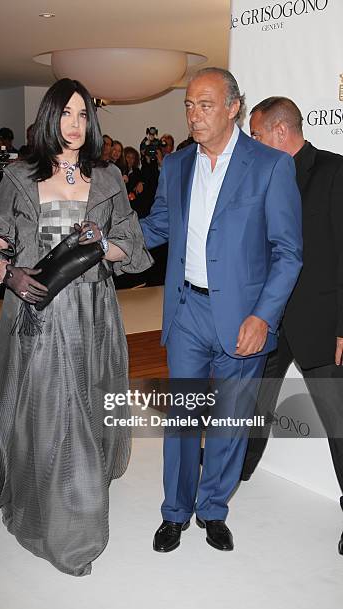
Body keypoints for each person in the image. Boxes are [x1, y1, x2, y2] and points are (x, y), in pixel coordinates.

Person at [0, 79, 152, 575]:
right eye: (66, 114)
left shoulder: (109, 176)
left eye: (82, 116)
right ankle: (66, 520)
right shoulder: (19, 175)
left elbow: (131, 243)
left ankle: (80, 488)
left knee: (88, 399)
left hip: (93, 309)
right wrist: (5, 271)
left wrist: (101, 243)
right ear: (49, 117)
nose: (74, 125)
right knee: (54, 406)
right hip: (38, 309)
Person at [140, 68, 302, 553]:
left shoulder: (271, 166)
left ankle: (213, 509)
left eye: (205, 105)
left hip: (244, 317)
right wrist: (113, 243)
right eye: (189, 105)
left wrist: (262, 316)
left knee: (231, 421)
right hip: (187, 309)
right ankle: (175, 512)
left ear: (234, 107)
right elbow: (158, 226)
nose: (194, 114)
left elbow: (287, 251)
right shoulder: (177, 165)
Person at [242, 96, 343, 555]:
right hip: (273, 318)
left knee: (340, 425)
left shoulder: (334, 172)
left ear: (280, 132)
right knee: (252, 402)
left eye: (258, 135)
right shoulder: (265, 177)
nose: (254, 144)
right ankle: (235, 472)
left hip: (323, 326)